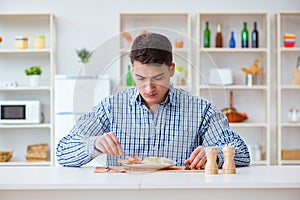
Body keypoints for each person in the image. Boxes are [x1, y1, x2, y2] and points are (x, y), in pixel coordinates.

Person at [56, 32, 250, 169]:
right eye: (140, 79)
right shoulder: (110, 107)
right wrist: (95, 143)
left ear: (171, 69)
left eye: (158, 78)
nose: (149, 88)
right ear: (132, 71)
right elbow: (63, 151)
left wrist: (214, 154)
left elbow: (241, 152)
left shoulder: (200, 110)